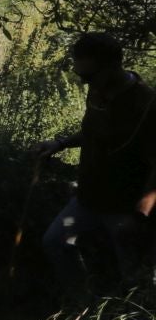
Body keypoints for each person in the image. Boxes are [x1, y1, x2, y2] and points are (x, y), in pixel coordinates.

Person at [31, 32, 156, 303]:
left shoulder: (146, 105)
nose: (84, 81)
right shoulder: (98, 90)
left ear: (112, 66)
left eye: (88, 75)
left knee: (135, 277)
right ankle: (83, 307)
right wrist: (61, 143)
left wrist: (141, 215)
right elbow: (94, 132)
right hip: (89, 198)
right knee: (55, 242)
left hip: (125, 206)